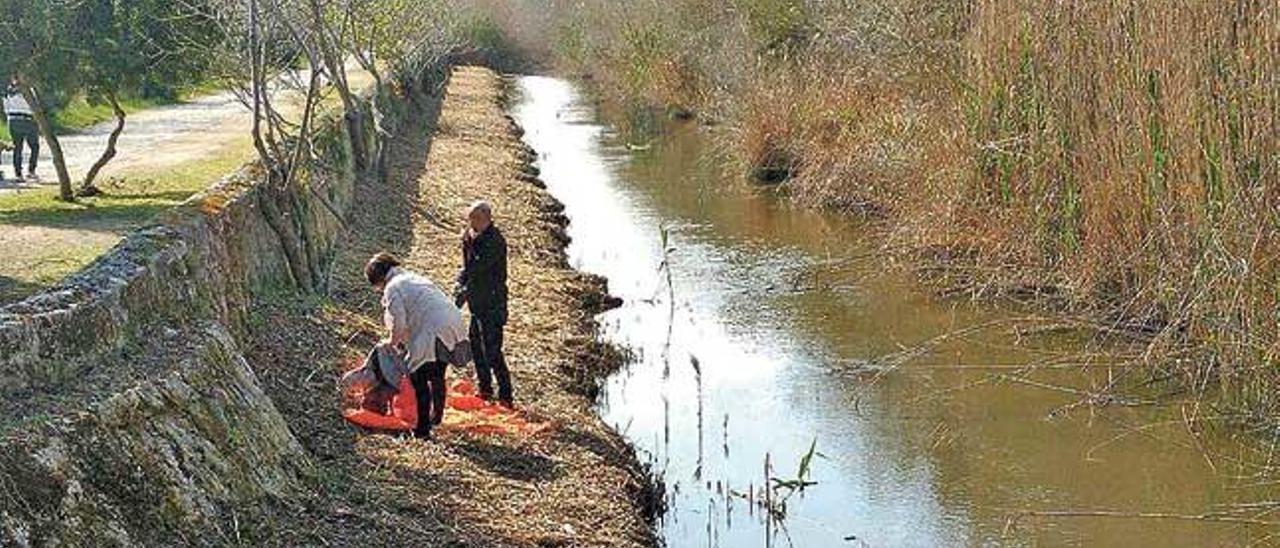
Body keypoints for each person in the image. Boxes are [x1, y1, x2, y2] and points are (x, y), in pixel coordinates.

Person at [366, 252, 468, 439]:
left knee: (418, 378)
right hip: (452, 322)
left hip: (431, 328)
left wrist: (391, 343)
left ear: (379, 278)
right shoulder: (413, 278)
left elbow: (399, 323)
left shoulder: (392, 288)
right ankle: (436, 417)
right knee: (437, 373)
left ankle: (422, 430)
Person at [455, 200, 512, 406]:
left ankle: (505, 394)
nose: (471, 224)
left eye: (475, 220)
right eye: (470, 219)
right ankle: (485, 388)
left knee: (493, 351)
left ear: (486, 219)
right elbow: (467, 266)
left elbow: (478, 268)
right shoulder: (469, 236)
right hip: (477, 302)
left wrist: (464, 288)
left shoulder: (494, 241)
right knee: (477, 348)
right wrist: (459, 282)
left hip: (493, 302)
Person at [2, 77, 38, 181]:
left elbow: (6, 108)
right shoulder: (29, 90)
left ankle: (18, 174)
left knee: (17, 147)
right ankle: (31, 171)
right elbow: (34, 106)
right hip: (27, 120)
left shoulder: (8, 91)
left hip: (13, 120)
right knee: (34, 146)